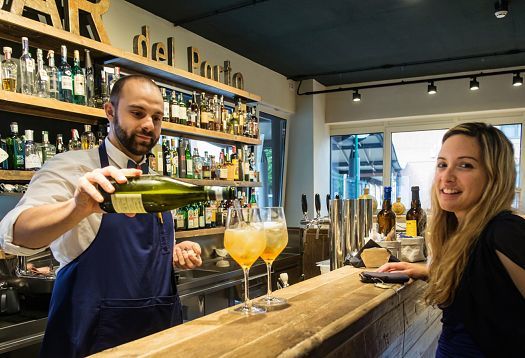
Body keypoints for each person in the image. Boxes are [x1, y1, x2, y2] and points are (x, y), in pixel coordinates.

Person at [0, 75, 203, 357]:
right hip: (93, 338)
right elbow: (14, 234)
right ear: (110, 111)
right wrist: (78, 206)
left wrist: (171, 253)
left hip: (160, 334)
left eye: (157, 117)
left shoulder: (155, 180)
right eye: (137, 113)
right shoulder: (70, 168)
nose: (148, 124)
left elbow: (138, 254)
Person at [378, 122, 525, 357]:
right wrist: (427, 271)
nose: (447, 176)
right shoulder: (465, 232)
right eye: (442, 165)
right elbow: (485, 284)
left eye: (465, 165)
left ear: (495, 176)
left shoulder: (504, 231)